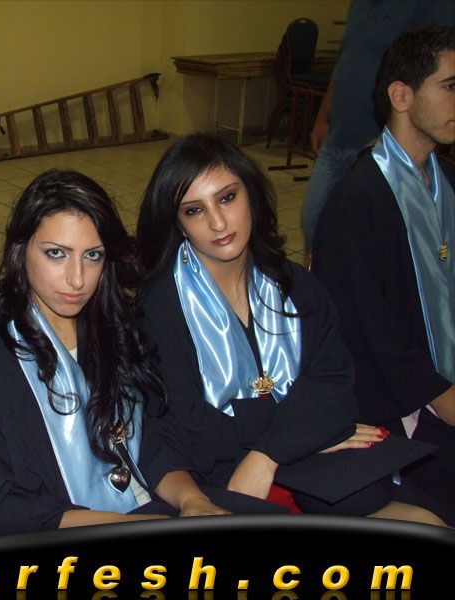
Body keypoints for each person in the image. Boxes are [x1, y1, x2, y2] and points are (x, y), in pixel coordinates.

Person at [0, 170, 285, 541]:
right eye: (56, 254)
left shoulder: (116, 326)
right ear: (20, 249)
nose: (77, 279)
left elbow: (156, 440)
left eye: (92, 256)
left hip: (154, 504)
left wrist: (192, 501)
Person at [135, 133, 445, 524]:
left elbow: (334, 381)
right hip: (221, 479)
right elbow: (190, 431)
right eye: (194, 210)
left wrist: (269, 454)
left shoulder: (294, 284)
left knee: (422, 515)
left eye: (227, 198)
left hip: (301, 464)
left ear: (250, 195)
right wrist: (308, 432)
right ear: (178, 223)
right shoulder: (158, 310)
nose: (217, 222)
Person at [312, 25, 455, 525]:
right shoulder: (355, 203)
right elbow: (366, 331)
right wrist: (438, 394)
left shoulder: (447, 180)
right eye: (450, 86)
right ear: (401, 95)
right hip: (405, 408)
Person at [300, 0, 453, 248]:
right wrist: (323, 115)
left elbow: (438, 71)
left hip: (381, 148)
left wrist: (391, 137)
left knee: (371, 236)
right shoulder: (360, 4)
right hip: (339, 138)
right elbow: (345, 60)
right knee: (313, 220)